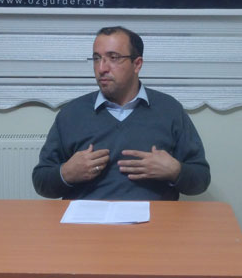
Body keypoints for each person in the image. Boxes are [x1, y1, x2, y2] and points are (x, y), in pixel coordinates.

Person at [32, 26, 210, 200]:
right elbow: (41, 181)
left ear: (137, 64)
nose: (101, 68)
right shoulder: (72, 114)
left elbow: (201, 179)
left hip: (153, 218)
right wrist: (67, 173)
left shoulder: (169, 110)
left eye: (113, 57)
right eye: (96, 58)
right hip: (87, 218)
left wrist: (175, 171)